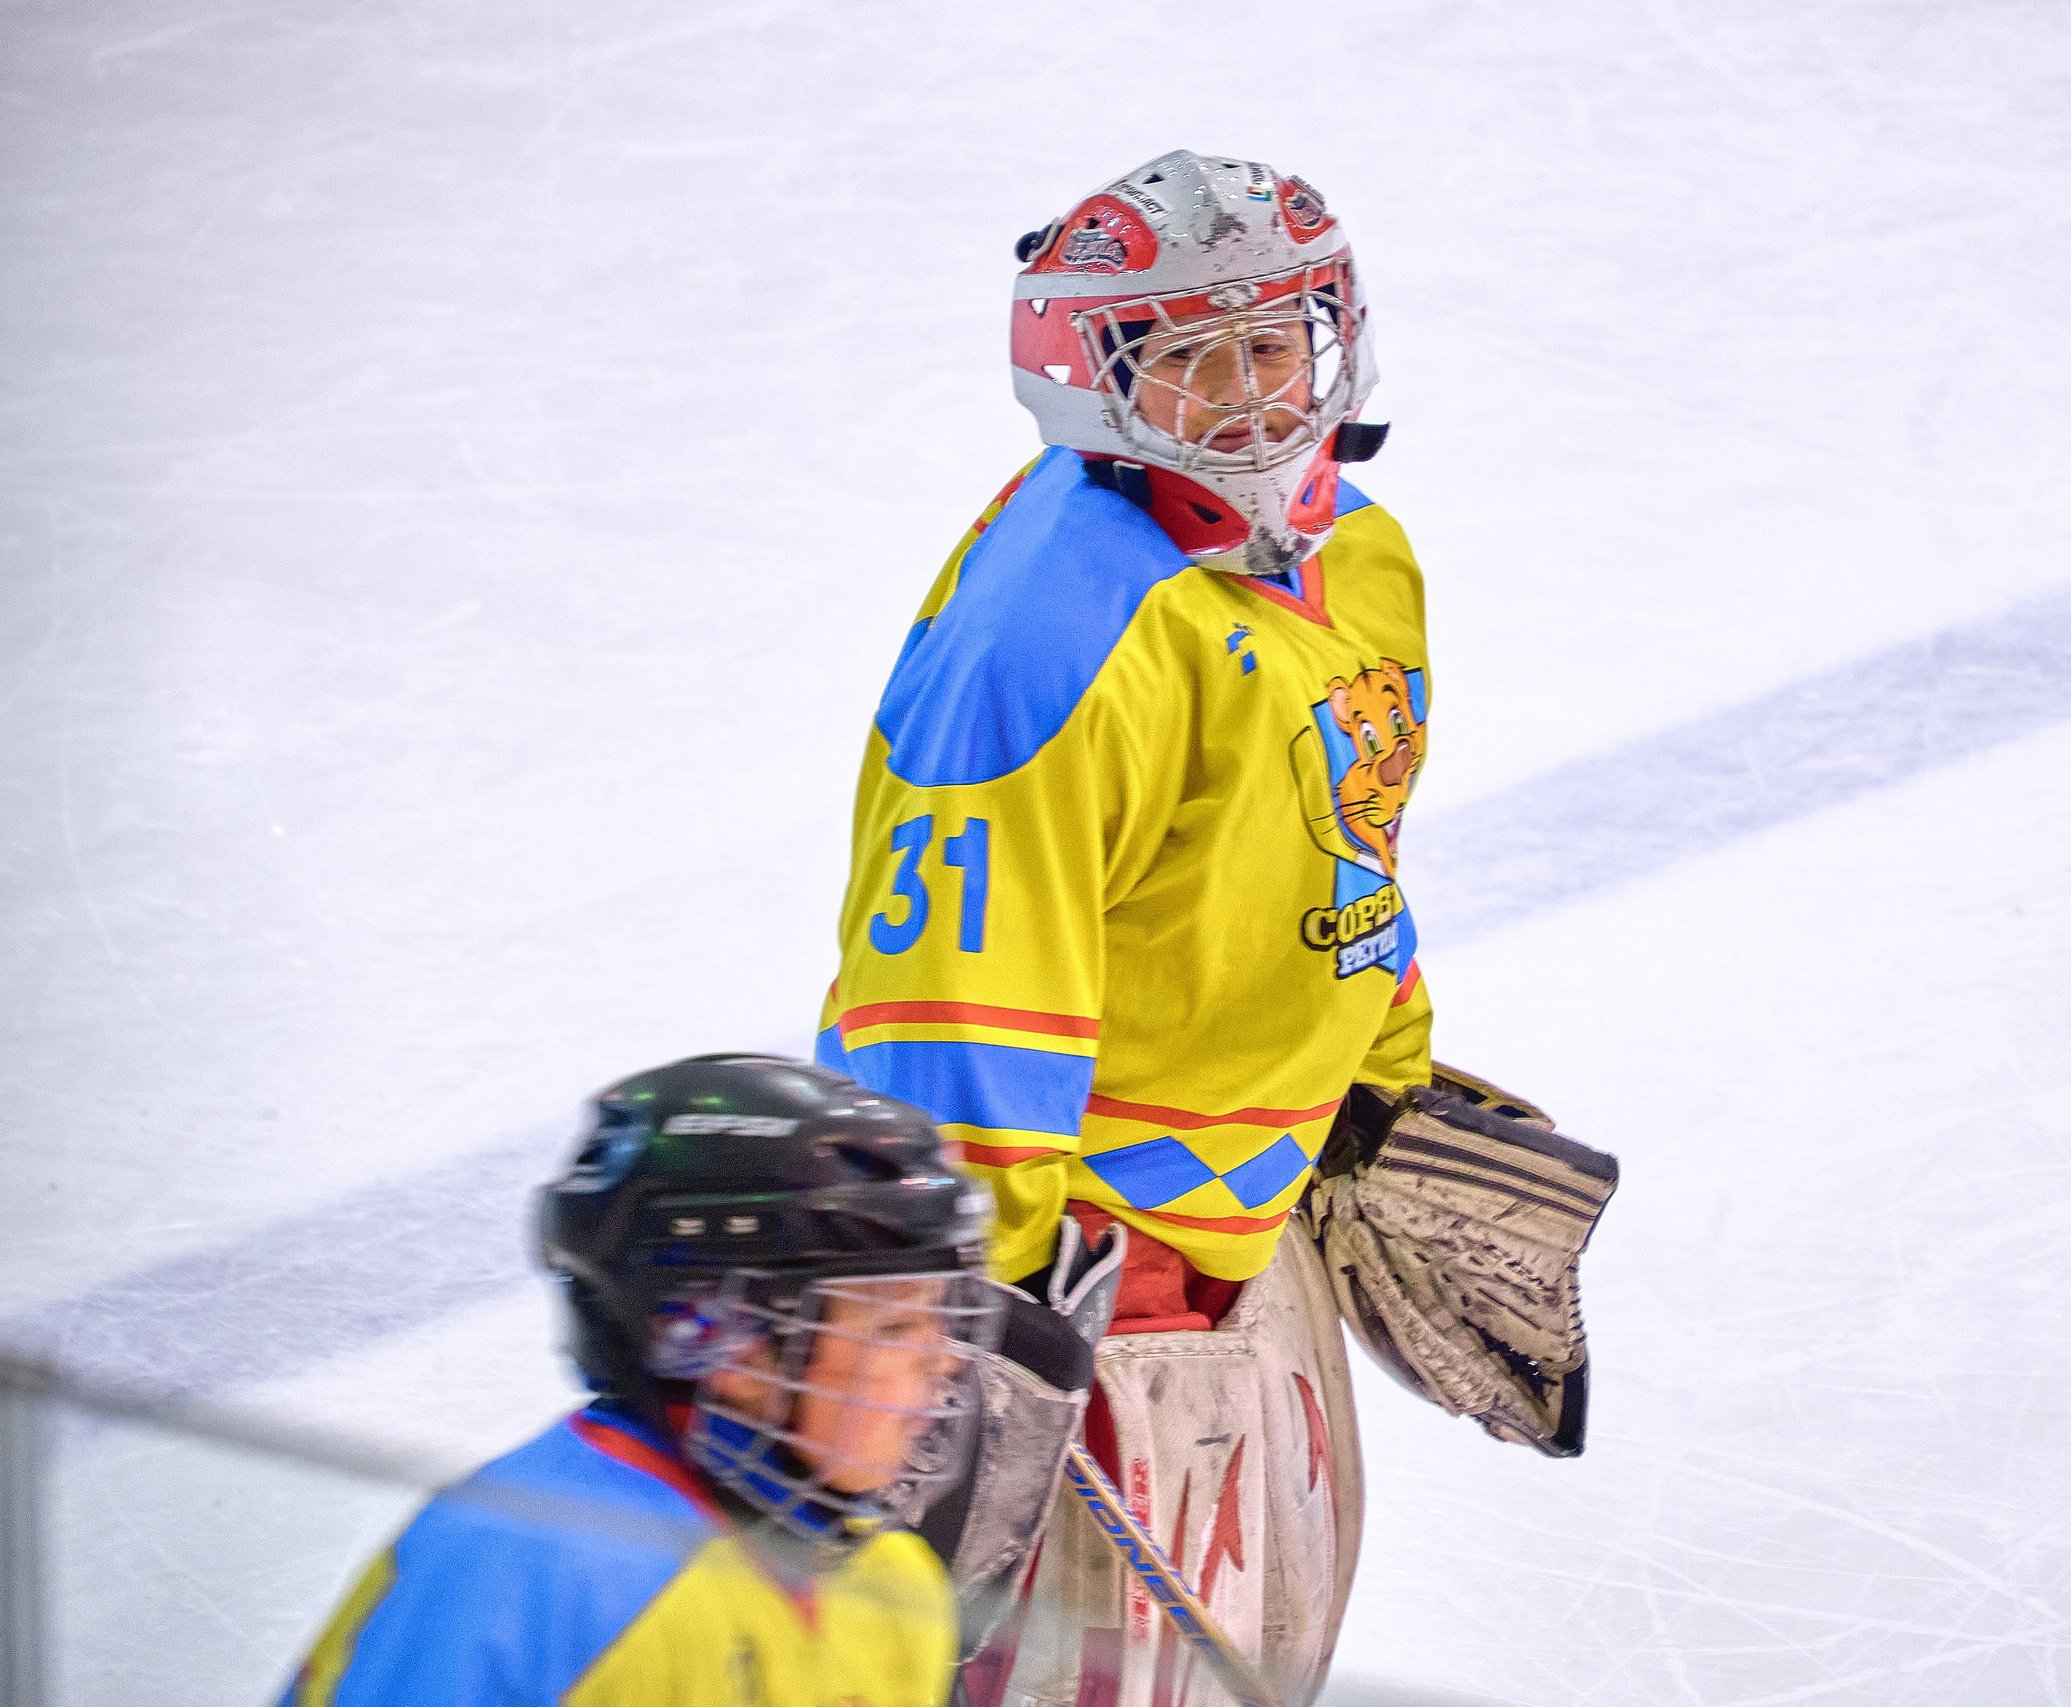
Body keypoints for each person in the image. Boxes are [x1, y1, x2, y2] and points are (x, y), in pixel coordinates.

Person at [815, 148, 1430, 1707]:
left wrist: (1386, 1082)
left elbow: (1347, 838)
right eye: (1193, 358)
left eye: (1277, 342)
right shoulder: (1059, 636)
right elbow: (954, 999)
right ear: (1096, 377)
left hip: (1253, 1214)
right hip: (1097, 1266)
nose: (1250, 396)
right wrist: (978, 1329)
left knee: (1262, 1660)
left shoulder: (1358, 552)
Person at [275, 1054, 1006, 1707]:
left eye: (940, 1319)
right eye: (894, 1327)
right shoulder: (537, 1568)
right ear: (731, 1343)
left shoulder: (893, 1582)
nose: (943, 1359)